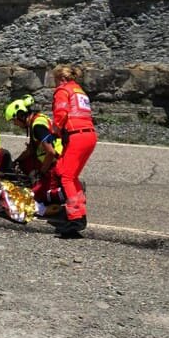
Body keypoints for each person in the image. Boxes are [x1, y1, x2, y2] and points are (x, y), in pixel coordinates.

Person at [50, 64, 97, 236]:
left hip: (76, 136)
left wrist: (54, 130)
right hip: (89, 135)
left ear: (61, 79)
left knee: (67, 177)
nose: (55, 85)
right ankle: (79, 211)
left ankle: (75, 218)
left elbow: (61, 113)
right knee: (69, 172)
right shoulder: (80, 92)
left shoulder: (63, 90)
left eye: (55, 80)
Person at [4, 95, 65, 207]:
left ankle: (64, 192)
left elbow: (50, 152)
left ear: (21, 116)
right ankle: (40, 182)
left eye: (14, 120)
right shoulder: (37, 119)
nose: (15, 124)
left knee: (35, 197)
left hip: (55, 162)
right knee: (24, 162)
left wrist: (41, 173)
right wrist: (16, 162)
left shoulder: (37, 127)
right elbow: (32, 149)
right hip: (50, 159)